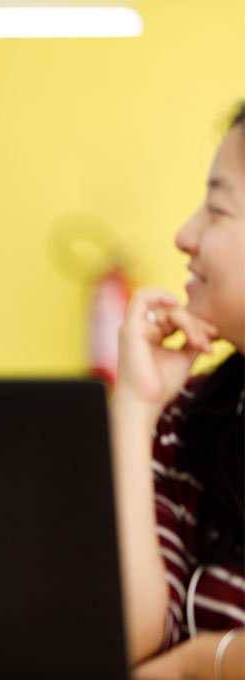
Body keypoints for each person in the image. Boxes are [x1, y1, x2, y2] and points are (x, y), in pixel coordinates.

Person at [113, 102, 244, 680]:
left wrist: (198, 663)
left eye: (217, 209)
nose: (184, 235)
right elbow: (129, 642)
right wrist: (135, 408)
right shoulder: (190, 417)